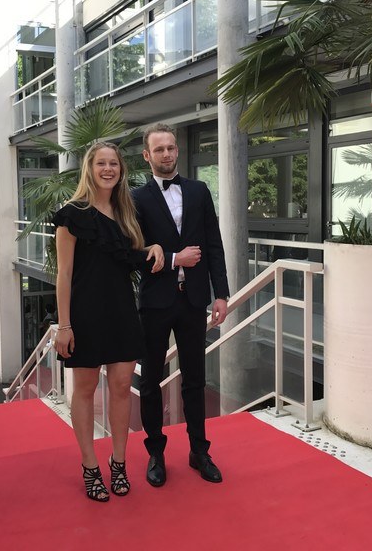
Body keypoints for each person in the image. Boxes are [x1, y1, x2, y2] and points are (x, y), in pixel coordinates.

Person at [52, 142, 164, 502]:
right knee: (84, 390)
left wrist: (153, 249)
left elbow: (126, 258)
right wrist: (64, 326)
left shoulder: (126, 212)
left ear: (121, 170)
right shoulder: (72, 214)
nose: (108, 169)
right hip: (84, 315)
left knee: (120, 387)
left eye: (113, 163)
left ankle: (119, 463)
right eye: (101, 163)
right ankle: (90, 466)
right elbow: (63, 275)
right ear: (90, 168)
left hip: (122, 312)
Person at [132, 123, 230, 487]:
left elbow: (214, 244)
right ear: (147, 155)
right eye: (159, 149)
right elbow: (133, 253)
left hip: (193, 301)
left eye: (171, 147)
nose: (167, 154)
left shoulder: (199, 190)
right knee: (150, 381)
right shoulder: (136, 198)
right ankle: (155, 453)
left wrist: (221, 294)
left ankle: (199, 451)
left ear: (177, 150)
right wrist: (175, 259)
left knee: (195, 379)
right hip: (155, 302)